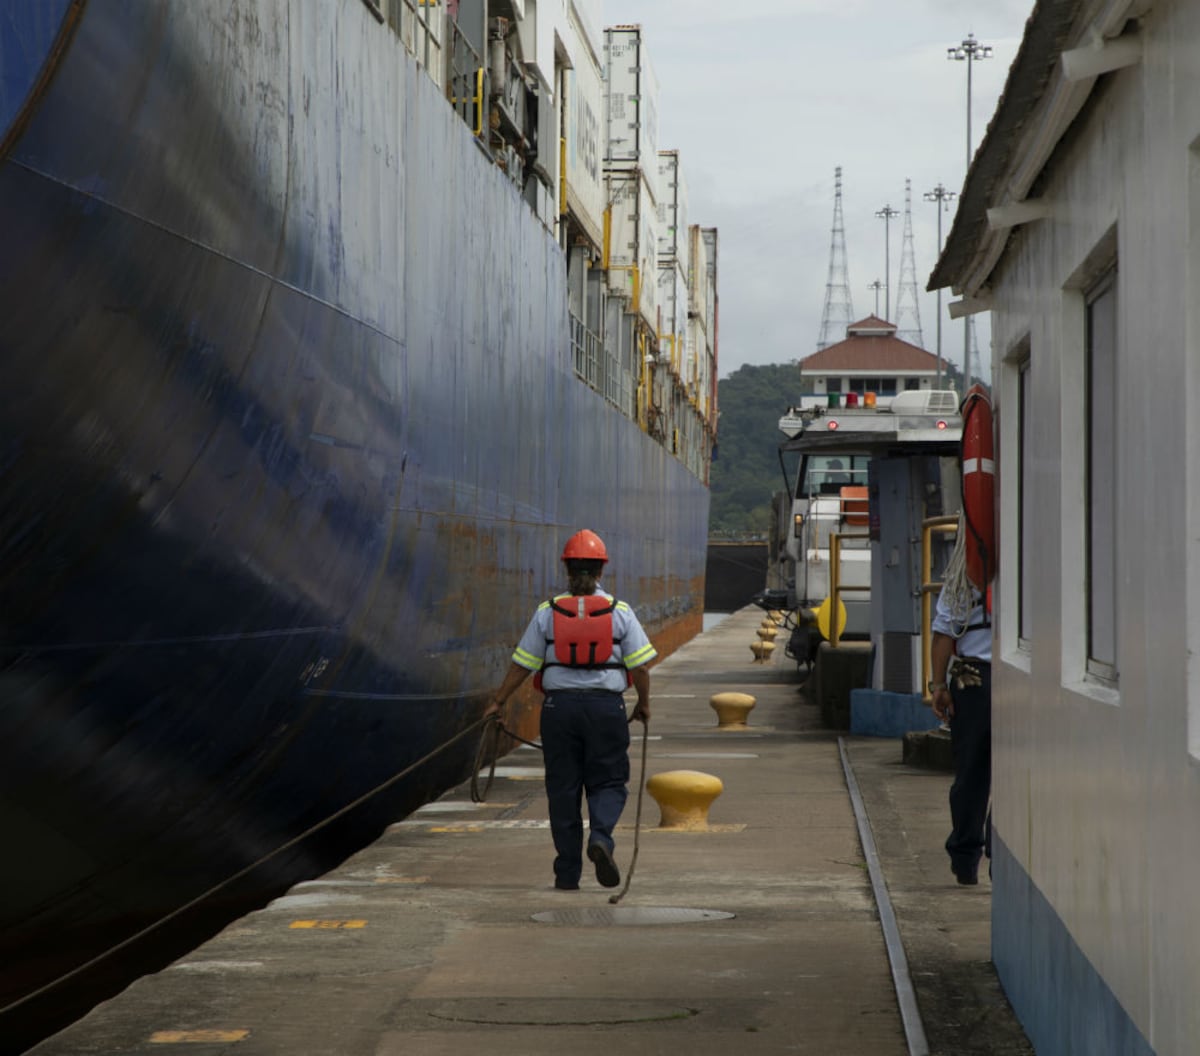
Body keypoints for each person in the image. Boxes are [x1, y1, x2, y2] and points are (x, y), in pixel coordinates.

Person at [485, 529, 654, 891]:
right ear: (600, 571)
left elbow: (522, 664)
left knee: (563, 789)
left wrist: (498, 701)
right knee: (608, 781)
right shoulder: (619, 611)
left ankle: (567, 874)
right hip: (606, 708)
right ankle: (602, 839)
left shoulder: (548, 612)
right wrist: (644, 703)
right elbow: (639, 667)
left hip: (558, 711)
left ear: (566, 569)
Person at [928, 578, 991, 887]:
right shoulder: (1030, 563)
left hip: (974, 679)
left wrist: (938, 686)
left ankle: (965, 861)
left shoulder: (964, 577)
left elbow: (943, 632)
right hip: (1024, 679)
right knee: (1016, 773)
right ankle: (1003, 855)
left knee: (971, 774)